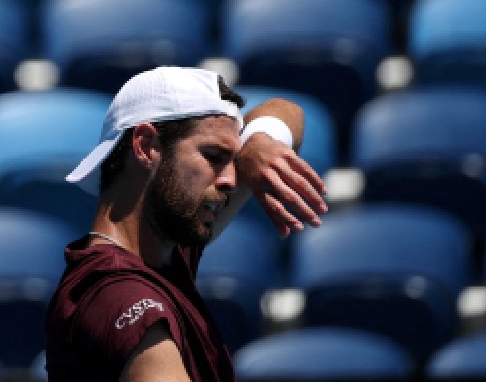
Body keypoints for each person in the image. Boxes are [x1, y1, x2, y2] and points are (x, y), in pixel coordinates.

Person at [44, 66, 328, 382]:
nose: (232, 180)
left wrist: (259, 143)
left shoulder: (163, 253)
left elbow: (287, 112)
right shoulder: (119, 295)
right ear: (146, 146)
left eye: (235, 162)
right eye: (213, 156)